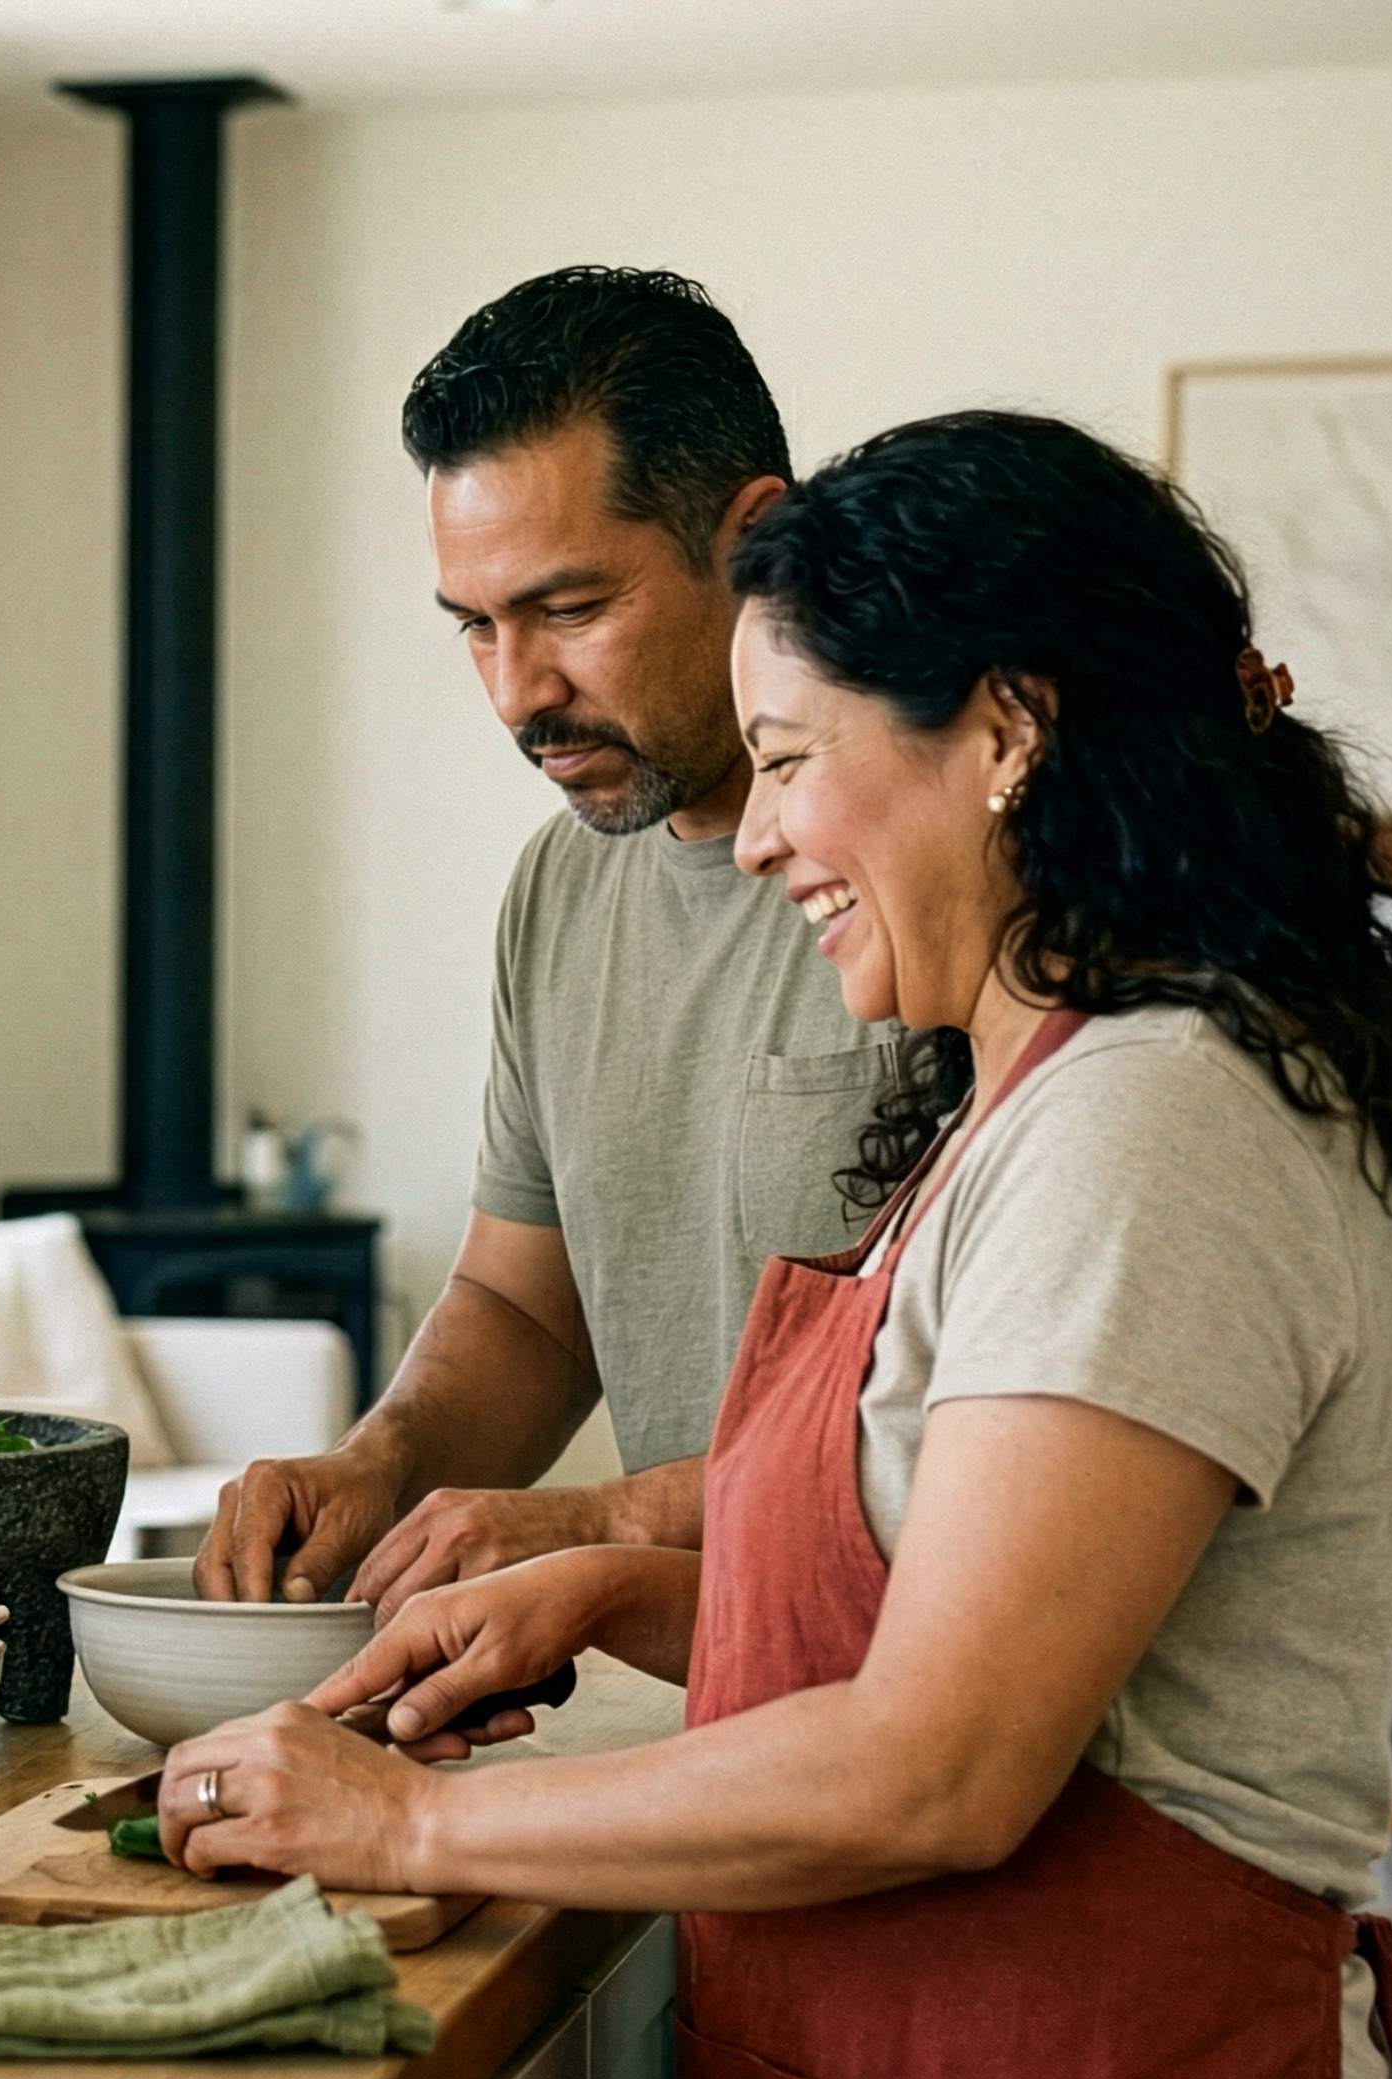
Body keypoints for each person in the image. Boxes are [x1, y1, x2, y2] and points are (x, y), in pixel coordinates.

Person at [154, 412, 1392, 2079]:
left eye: (791, 762)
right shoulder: (1033, 1102)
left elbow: (945, 1762)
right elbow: (999, 1625)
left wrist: (419, 1822)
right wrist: (615, 1596)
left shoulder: (1151, 1131)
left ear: (1007, 732)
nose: (762, 834)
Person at [203, 267, 889, 1628]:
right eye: (476, 627)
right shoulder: (562, 886)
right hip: (735, 1698)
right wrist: (378, 1466)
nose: (519, 691)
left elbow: (963, 1425)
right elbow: (534, 1304)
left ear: (758, 543)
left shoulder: (933, 876)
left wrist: (593, 1523)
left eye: (571, 611)